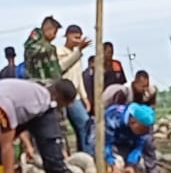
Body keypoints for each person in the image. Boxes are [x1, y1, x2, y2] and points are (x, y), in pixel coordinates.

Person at [57, 25, 93, 153]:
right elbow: (62, 66)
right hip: (61, 95)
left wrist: (84, 97)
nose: (77, 40)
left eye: (79, 38)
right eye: (75, 37)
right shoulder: (59, 52)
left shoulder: (77, 54)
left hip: (75, 97)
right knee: (61, 129)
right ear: (67, 36)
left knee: (85, 123)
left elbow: (79, 78)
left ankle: (87, 154)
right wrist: (78, 52)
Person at [104, 102, 155, 173]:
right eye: (141, 130)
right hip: (110, 140)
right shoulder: (113, 117)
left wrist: (131, 164)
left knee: (139, 166)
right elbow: (105, 143)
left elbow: (139, 146)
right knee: (115, 165)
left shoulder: (143, 129)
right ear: (132, 122)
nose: (143, 133)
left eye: (145, 131)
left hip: (127, 141)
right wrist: (112, 163)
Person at [83, 42, 127, 114]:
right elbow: (90, 86)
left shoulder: (117, 65)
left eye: (112, 52)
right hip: (100, 99)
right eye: (108, 52)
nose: (110, 55)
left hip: (116, 99)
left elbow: (122, 83)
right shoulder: (96, 67)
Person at [23, 16, 63, 83]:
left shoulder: (50, 47)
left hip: (51, 83)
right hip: (37, 81)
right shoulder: (35, 39)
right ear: (48, 29)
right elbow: (30, 49)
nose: (55, 36)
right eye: (55, 32)